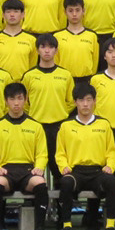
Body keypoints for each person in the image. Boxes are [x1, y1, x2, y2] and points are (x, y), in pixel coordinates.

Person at [54, 84, 115, 230]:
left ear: (95, 101)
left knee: (112, 182)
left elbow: (112, 151)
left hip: (98, 171)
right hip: (76, 171)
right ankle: (67, 226)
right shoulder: (66, 126)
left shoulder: (104, 124)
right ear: (75, 102)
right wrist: (64, 167)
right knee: (66, 183)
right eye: (81, 100)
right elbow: (60, 153)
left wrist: (110, 166)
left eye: (89, 100)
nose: (85, 104)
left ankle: (110, 227)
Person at [0, 83, 51, 230]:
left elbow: (42, 153)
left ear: (26, 100)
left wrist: (39, 168)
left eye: (20, 98)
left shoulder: (36, 126)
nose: (16, 103)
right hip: (6, 170)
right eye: (12, 99)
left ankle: (39, 229)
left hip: (28, 171)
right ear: (6, 101)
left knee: (40, 183)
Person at [22, 33, 75, 164]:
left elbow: (72, 101)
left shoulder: (65, 75)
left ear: (56, 51)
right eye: (43, 47)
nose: (47, 50)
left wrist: (62, 112)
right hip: (35, 125)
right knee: (34, 163)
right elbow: (23, 102)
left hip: (59, 125)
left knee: (58, 163)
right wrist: (32, 113)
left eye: (51, 47)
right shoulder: (29, 76)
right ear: (37, 50)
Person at [55, 0, 99, 82]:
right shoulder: (57, 36)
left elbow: (95, 61)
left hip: (86, 80)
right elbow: (55, 61)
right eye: (70, 11)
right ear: (65, 12)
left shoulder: (92, 36)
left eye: (77, 10)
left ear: (83, 11)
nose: (74, 14)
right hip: (64, 80)